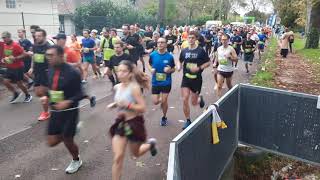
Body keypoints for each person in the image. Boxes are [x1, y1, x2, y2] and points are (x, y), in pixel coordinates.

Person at [107, 60, 157, 180]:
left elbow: (143, 108)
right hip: (121, 124)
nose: (120, 73)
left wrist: (128, 105)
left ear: (130, 74)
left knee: (135, 154)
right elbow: (120, 101)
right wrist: (115, 104)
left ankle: (150, 145)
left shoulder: (134, 88)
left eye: (124, 71)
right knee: (118, 157)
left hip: (134, 124)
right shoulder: (117, 87)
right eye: (119, 70)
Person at [41, 45, 83, 174]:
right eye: (47, 55)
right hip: (55, 111)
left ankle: (76, 160)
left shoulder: (72, 72)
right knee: (51, 142)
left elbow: (81, 93)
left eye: (51, 55)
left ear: (60, 56)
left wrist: (68, 101)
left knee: (67, 139)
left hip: (69, 111)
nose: (48, 58)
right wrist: (46, 96)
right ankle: (72, 130)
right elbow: (51, 88)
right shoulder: (50, 70)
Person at [177, 31, 210, 129]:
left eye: (192, 38)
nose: (190, 40)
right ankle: (187, 120)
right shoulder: (184, 51)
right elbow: (180, 60)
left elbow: (208, 63)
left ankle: (200, 99)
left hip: (196, 80)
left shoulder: (200, 51)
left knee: (194, 102)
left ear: (196, 39)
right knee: (185, 98)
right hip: (186, 78)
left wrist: (199, 68)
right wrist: (179, 66)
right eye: (189, 38)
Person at [148, 37, 175, 126]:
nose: (160, 44)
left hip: (166, 82)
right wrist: (150, 69)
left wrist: (169, 70)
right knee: (155, 102)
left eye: (162, 42)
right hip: (155, 82)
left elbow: (174, 68)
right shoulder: (152, 55)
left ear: (166, 44)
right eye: (158, 42)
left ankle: (164, 117)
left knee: (164, 101)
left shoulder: (170, 56)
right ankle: (162, 102)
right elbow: (149, 64)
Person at [1, 31, 32, 103]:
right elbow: (7, 55)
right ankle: (15, 93)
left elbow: (25, 54)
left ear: (9, 37)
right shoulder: (5, 45)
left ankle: (28, 95)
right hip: (9, 67)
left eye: (4, 38)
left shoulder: (15, 45)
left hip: (18, 67)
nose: (3, 39)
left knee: (19, 84)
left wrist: (15, 58)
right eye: (2, 38)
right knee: (5, 81)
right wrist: (4, 59)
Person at [29, 28, 51, 121]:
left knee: (43, 94)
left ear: (44, 36)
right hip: (37, 72)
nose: (36, 37)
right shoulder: (34, 46)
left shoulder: (48, 47)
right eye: (36, 36)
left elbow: (52, 60)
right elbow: (34, 57)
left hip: (46, 73)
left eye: (39, 36)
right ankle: (52, 99)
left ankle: (46, 112)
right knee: (39, 93)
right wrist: (32, 67)